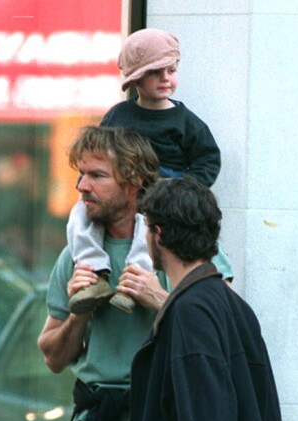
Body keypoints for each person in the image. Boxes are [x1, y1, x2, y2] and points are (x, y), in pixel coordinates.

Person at [38, 126, 231, 421]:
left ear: (133, 182)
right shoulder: (78, 252)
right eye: (81, 174)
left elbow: (224, 332)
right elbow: (51, 355)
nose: (82, 186)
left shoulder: (181, 243)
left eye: (96, 176)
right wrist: (79, 315)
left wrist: (159, 298)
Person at [131, 177, 284, 421]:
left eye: (145, 227)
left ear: (158, 232)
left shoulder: (191, 311)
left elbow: (205, 417)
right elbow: (267, 412)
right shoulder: (234, 306)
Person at [67, 28, 225, 314]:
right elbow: (97, 154)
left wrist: (181, 188)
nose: (166, 78)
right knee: (78, 216)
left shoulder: (186, 122)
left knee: (147, 229)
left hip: (160, 198)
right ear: (135, 79)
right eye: (156, 72)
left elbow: (208, 159)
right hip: (124, 197)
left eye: (171, 70)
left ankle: (133, 282)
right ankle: (94, 274)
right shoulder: (118, 115)